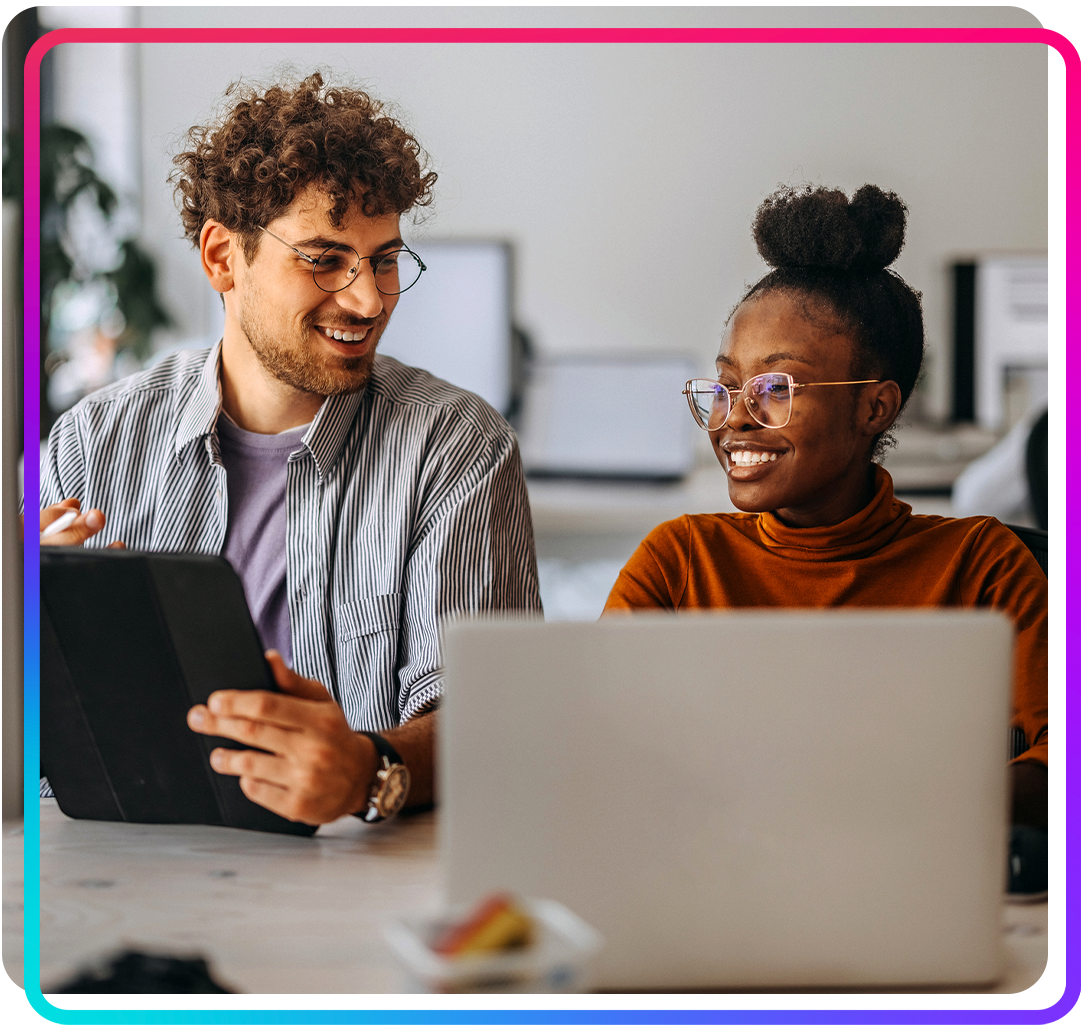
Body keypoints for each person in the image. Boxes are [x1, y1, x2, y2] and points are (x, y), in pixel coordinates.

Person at [38, 73, 541, 826]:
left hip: (354, 880)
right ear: (221, 259)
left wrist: (371, 768)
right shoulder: (93, 442)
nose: (368, 299)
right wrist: (33, 644)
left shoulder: (457, 449)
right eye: (324, 258)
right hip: (124, 865)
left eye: (384, 260)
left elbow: (495, 722)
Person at [603, 184, 1050, 833]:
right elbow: (593, 748)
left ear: (876, 407)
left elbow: (1061, 760)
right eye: (727, 386)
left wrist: (896, 808)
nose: (736, 419)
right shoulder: (678, 562)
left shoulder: (984, 566)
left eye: (775, 388)